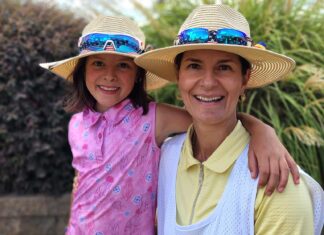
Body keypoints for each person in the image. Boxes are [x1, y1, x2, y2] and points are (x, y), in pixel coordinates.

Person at [39, 15, 300, 235]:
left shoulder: (152, 118)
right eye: (97, 63)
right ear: (82, 71)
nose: (110, 75)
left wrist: (262, 130)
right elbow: (81, 181)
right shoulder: (76, 125)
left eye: (123, 65)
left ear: (138, 75)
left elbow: (210, 117)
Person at [135, 4, 324, 235]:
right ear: (179, 76)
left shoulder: (276, 183)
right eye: (194, 66)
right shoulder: (163, 157)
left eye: (224, 67)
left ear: (245, 79)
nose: (208, 82)